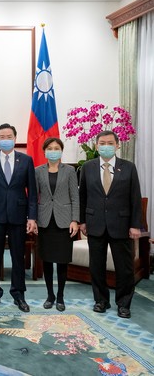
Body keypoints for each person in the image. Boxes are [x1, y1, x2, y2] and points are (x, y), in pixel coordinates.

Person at [79, 130, 142, 319]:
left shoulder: (129, 167)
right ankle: (101, 301)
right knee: (96, 266)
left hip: (121, 225)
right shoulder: (87, 167)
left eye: (110, 143)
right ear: (96, 146)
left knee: (124, 268)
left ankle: (123, 303)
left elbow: (135, 198)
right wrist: (82, 221)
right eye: (102, 143)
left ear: (117, 145)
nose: (106, 146)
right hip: (94, 224)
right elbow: (83, 196)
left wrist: (135, 225)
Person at [0, 123, 37, 313]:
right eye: (2, 137)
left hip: (19, 215)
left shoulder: (26, 160)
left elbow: (32, 191)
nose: (5, 140)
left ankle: (19, 294)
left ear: (15, 138)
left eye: (9, 136)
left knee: (18, 257)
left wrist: (32, 217)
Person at [34, 137, 79, 312]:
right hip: (45, 221)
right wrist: (33, 219)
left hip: (64, 221)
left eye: (56, 148)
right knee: (46, 260)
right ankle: (50, 295)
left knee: (62, 261)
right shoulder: (38, 171)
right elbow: (34, 197)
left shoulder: (69, 171)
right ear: (44, 151)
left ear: (61, 151)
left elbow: (75, 197)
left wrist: (75, 220)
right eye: (50, 148)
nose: (53, 151)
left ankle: (60, 296)